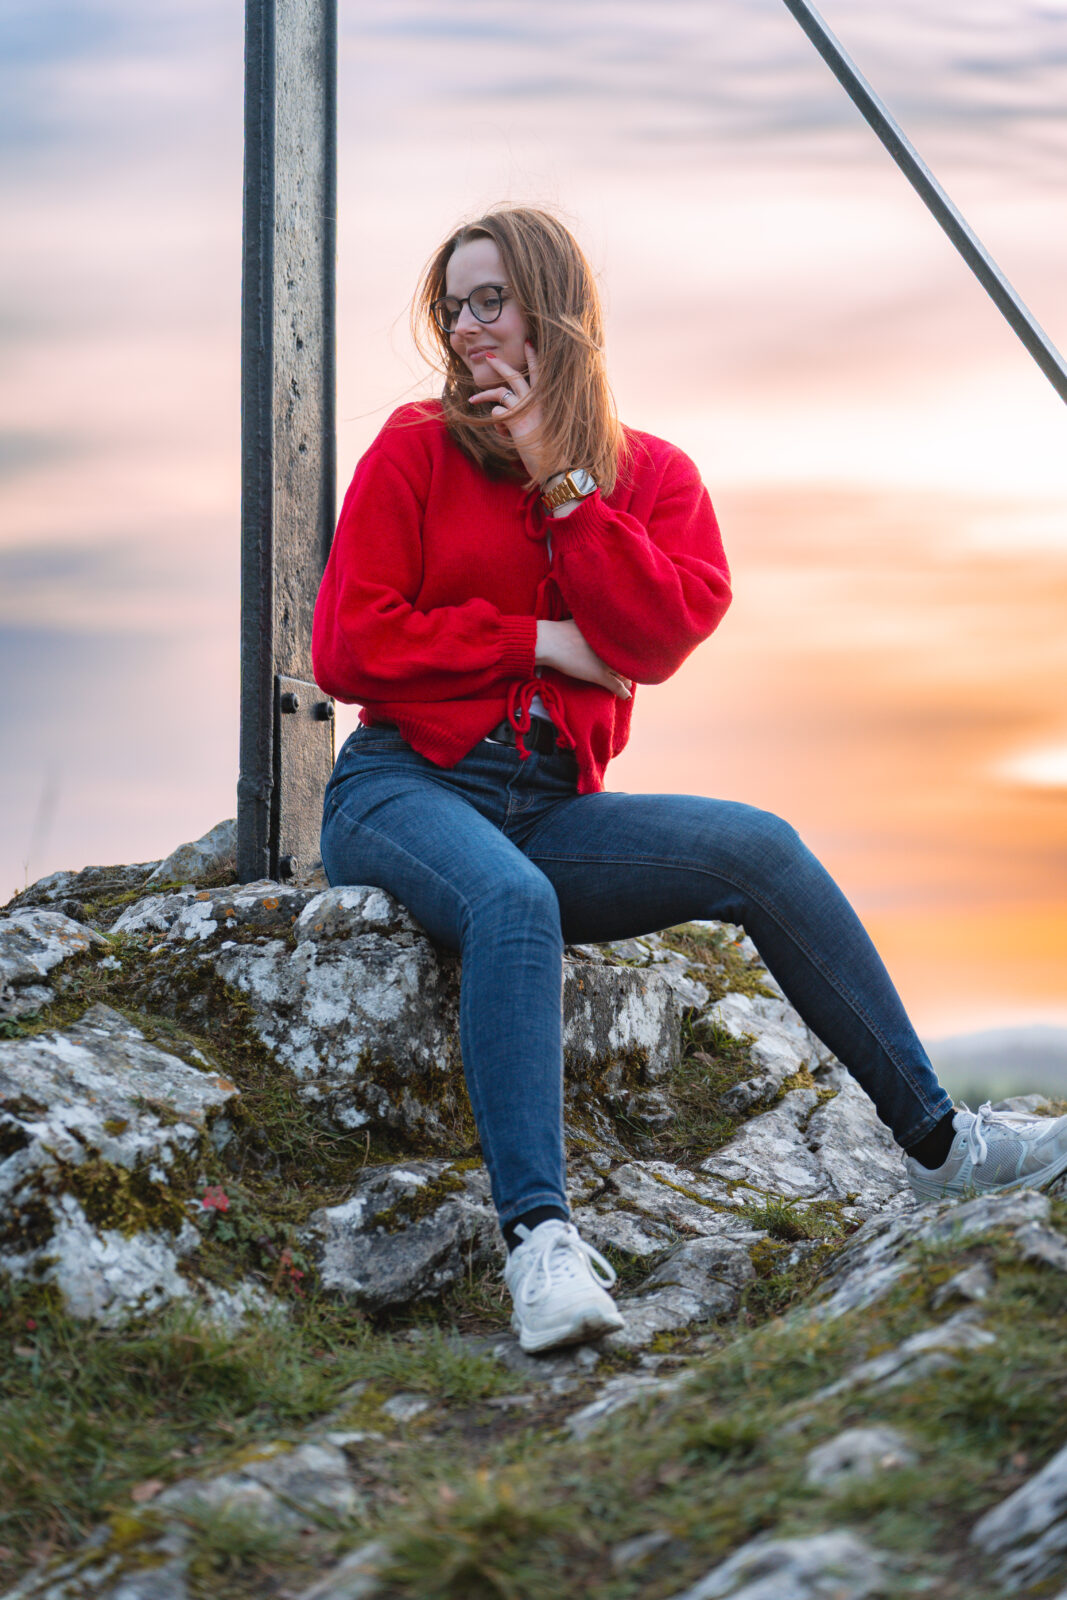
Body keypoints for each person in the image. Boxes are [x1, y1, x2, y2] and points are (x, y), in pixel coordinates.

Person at [312, 205, 1067, 1355]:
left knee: (756, 846)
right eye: (451, 307)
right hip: (401, 784)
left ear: (555, 310)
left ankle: (938, 1144)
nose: (465, 330)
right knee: (513, 902)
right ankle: (540, 1243)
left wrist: (563, 483)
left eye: (489, 301)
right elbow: (348, 645)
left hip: (547, 803)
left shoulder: (651, 477)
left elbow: (654, 633)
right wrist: (536, 641)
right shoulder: (414, 446)